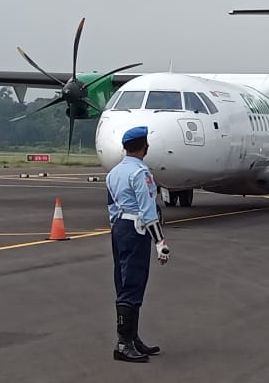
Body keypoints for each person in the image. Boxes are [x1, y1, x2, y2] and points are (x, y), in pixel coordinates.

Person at [106, 126, 170, 363]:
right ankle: (123, 343)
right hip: (137, 229)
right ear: (145, 147)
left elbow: (111, 206)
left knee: (123, 281)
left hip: (119, 228)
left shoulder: (114, 173)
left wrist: (119, 226)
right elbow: (148, 209)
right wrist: (160, 242)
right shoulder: (141, 173)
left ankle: (132, 338)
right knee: (133, 282)